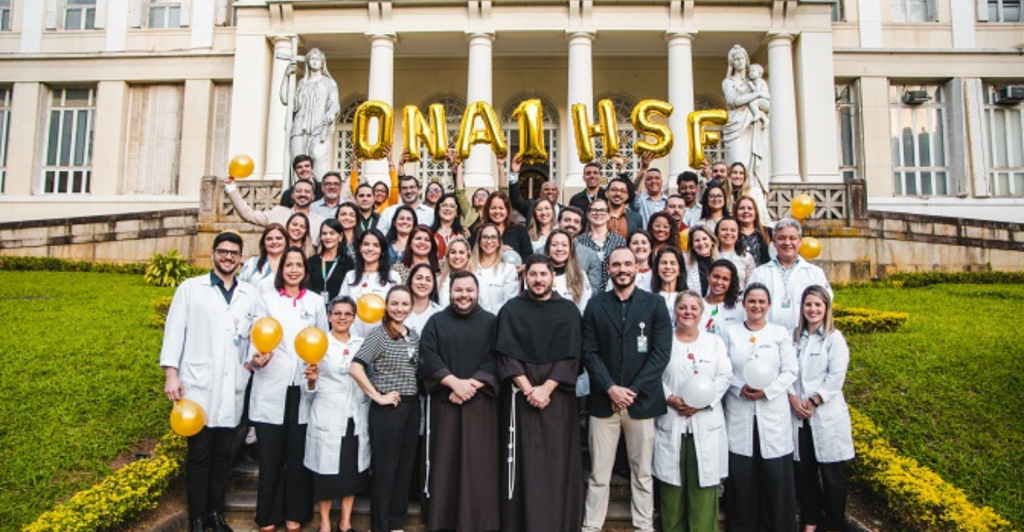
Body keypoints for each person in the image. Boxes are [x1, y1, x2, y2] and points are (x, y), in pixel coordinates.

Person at [161, 232, 260, 532]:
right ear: (213, 254)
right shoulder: (191, 289)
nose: (228, 257)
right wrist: (171, 373)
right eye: (222, 252)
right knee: (199, 456)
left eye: (234, 253)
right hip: (197, 385)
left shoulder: (249, 294)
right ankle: (198, 518)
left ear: (242, 258)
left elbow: (256, 335)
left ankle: (216, 514)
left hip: (232, 385)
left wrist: (254, 360)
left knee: (223, 458)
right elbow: (175, 331)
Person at [582, 247, 673, 532]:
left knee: (643, 472)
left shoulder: (655, 304)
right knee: (599, 473)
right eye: (616, 264)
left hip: (641, 402)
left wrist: (630, 391)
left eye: (627, 264)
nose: (622, 269)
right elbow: (589, 351)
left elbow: (660, 353)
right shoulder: (596, 305)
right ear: (608, 269)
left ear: (637, 268)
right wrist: (610, 388)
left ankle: (643, 526)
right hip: (603, 402)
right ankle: (592, 526)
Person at [494, 255, 585, 532]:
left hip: (557, 399)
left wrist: (546, 389)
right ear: (525, 277)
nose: (537, 280)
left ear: (552, 277)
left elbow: (572, 356)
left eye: (543, 274)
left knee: (556, 464)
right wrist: (528, 389)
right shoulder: (511, 309)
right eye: (532, 275)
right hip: (521, 399)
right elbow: (505, 355)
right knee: (523, 463)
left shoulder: (568, 311)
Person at [248, 246, 329, 532]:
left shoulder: (316, 303)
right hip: (272, 384)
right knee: (271, 455)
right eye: (289, 265)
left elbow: (322, 340)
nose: (294, 269)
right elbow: (256, 335)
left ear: (306, 271)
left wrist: (315, 369)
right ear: (281, 269)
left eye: (299, 265)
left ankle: (296, 513)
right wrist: (256, 359)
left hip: (303, 388)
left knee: (298, 455)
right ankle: (267, 515)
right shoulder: (266, 300)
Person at [418, 271, 501, 532]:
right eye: (458, 290)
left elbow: (498, 357)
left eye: (469, 290)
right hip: (445, 403)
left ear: (477, 293)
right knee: (446, 461)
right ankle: (443, 519)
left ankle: (479, 520)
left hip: (481, 406)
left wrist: (470, 385)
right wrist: (453, 383)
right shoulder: (436, 321)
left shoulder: (492, 322)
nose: (463, 295)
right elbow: (428, 357)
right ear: (449, 292)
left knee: (479, 463)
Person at [721, 283, 799, 532]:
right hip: (740, 410)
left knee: (775, 479)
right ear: (744, 304)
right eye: (751, 301)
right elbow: (722, 370)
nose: (756, 306)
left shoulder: (779, 333)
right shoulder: (730, 332)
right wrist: (738, 386)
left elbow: (790, 370)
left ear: (769, 305)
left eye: (761, 302)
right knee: (742, 480)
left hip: (772, 414)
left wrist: (769, 390)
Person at [654, 291, 733, 532]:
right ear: (675, 311)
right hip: (672, 421)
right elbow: (653, 374)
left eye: (693, 308)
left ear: (701, 313)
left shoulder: (714, 343)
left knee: (703, 494)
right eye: (683, 307)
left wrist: (703, 401)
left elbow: (725, 375)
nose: (688, 312)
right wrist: (671, 398)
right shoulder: (663, 341)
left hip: (705, 422)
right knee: (672, 494)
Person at [348, 286, 421, 532]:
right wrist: (377, 397)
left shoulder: (413, 335)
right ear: (386, 306)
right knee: (386, 471)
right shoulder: (379, 335)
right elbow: (356, 368)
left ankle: (397, 524)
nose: (399, 309)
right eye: (394, 304)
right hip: (389, 410)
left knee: (404, 469)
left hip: (412, 408)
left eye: (404, 304)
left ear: (410, 306)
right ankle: (380, 526)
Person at [790, 286, 853, 532]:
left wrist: (815, 401)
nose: (813, 309)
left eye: (818, 305)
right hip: (799, 415)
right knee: (805, 475)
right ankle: (810, 521)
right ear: (802, 308)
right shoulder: (793, 337)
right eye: (808, 305)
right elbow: (785, 372)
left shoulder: (834, 339)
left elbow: (836, 377)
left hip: (825, 414)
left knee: (832, 477)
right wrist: (794, 399)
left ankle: (834, 525)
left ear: (826, 308)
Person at [303, 296, 369, 532]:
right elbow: (307, 388)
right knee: (325, 472)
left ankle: (345, 522)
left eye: (348, 313)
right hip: (328, 414)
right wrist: (311, 382)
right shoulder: (318, 343)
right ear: (329, 316)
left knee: (350, 471)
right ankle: (324, 523)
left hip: (355, 414)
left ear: (354, 317)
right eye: (337, 313)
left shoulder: (362, 343)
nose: (342, 317)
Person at [748, 218, 833, 333]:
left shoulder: (814, 273)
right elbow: (748, 306)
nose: (787, 243)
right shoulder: (759, 273)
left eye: (792, 238)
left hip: (804, 337)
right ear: (773, 242)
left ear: (800, 242)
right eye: (781, 238)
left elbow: (825, 306)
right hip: (767, 339)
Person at [282, 48, 339, 179]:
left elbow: (334, 103)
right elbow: (286, 99)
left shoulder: (329, 82)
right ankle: (298, 192)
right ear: (307, 62)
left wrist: (331, 112)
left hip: (320, 126)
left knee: (318, 156)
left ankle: (319, 191)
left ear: (322, 62)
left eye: (317, 59)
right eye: (311, 59)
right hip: (299, 126)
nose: (314, 62)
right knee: (298, 163)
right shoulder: (302, 83)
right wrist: (286, 77)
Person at [723, 44, 770, 198]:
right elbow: (734, 101)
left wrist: (763, 103)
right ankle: (735, 201)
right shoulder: (728, 82)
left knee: (753, 168)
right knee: (737, 165)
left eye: (742, 58)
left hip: (753, 125)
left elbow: (766, 101)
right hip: (736, 126)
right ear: (732, 63)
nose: (740, 61)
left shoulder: (755, 81)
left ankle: (754, 201)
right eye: (736, 59)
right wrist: (756, 94)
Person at [227, 176, 327, 247]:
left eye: (307, 192)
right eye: (298, 191)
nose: (302, 194)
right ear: (292, 195)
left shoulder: (320, 221)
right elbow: (248, 215)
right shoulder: (277, 213)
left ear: (313, 197)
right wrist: (231, 188)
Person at [339, 229, 401, 338]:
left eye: (376, 245)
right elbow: (341, 307)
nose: (370, 249)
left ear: (382, 250)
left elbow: (397, 311)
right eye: (366, 244)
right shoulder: (350, 276)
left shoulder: (393, 277)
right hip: (353, 339)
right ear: (359, 248)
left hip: (383, 340)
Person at [576, 198, 627, 290]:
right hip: (585, 291)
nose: (598, 213)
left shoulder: (620, 241)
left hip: (614, 292)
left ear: (608, 215)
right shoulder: (579, 241)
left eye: (602, 210)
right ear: (588, 214)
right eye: (594, 210)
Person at [470, 223, 519, 315]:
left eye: (493, 237)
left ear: (499, 242)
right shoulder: (470, 268)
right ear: (479, 241)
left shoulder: (508, 269)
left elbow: (509, 303)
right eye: (485, 237)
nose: (489, 241)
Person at [558, 206, 604, 297]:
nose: (571, 224)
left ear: (580, 227)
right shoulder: (541, 252)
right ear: (558, 223)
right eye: (567, 220)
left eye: (576, 222)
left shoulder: (591, 255)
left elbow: (593, 290)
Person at [544, 229, 593, 312]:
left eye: (564, 245)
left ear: (571, 249)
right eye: (555, 245)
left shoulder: (580, 275)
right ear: (548, 248)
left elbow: (584, 308)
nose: (559, 249)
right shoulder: (539, 275)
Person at [307, 219, 354, 305]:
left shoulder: (348, 263)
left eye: (332, 233)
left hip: (338, 310)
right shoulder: (312, 261)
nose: (328, 237)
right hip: (314, 308)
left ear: (340, 236)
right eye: (324, 233)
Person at [479, 191, 533, 261]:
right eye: (493, 208)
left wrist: (522, 267)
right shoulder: (479, 230)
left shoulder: (519, 230)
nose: (497, 211)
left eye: (501, 208)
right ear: (487, 210)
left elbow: (528, 255)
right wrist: (495, 250)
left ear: (507, 210)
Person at [508, 155, 564, 221]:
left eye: (553, 190)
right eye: (546, 189)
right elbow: (515, 199)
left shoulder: (564, 211)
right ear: (541, 193)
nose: (550, 192)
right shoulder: (531, 207)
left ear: (558, 193)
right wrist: (514, 173)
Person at [239, 224, 288, 294]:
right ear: (263, 243)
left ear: (286, 242)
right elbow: (240, 289)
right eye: (269, 239)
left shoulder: (293, 264)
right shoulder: (251, 263)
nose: (274, 242)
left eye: (278, 238)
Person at [702, 259, 745, 336]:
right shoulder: (698, 305)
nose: (719, 282)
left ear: (731, 282)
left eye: (725, 279)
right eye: (716, 277)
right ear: (708, 276)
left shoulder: (739, 307)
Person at [716, 216, 756, 291]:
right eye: (724, 229)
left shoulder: (746, 257)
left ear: (738, 234)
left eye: (732, 230)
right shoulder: (711, 255)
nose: (728, 233)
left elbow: (751, 284)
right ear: (717, 233)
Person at [725, 162, 771, 226]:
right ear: (729, 175)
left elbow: (764, 216)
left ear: (745, 176)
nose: (738, 176)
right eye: (734, 173)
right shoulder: (724, 194)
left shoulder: (755, 192)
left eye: (741, 173)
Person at [404, 262, 442, 336]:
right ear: (410, 282)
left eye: (428, 280)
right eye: (419, 278)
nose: (423, 283)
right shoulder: (399, 310)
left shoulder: (439, 313)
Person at [651, 246, 687, 322]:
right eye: (663, 263)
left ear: (680, 270)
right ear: (657, 269)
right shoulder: (649, 298)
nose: (668, 267)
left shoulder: (687, 299)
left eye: (673, 263)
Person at [736, 195, 773, 267]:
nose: (746, 211)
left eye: (750, 208)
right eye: (741, 208)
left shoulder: (768, 233)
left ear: (755, 212)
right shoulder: (731, 234)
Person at [685, 225, 719, 296]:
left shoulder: (721, 264)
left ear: (712, 241)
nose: (701, 243)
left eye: (704, 239)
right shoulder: (685, 266)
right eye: (697, 240)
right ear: (692, 245)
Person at [437, 237, 472, 307]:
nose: (457, 256)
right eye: (453, 252)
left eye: (461, 252)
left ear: (468, 256)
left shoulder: (479, 280)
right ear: (447, 256)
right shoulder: (438, 281)